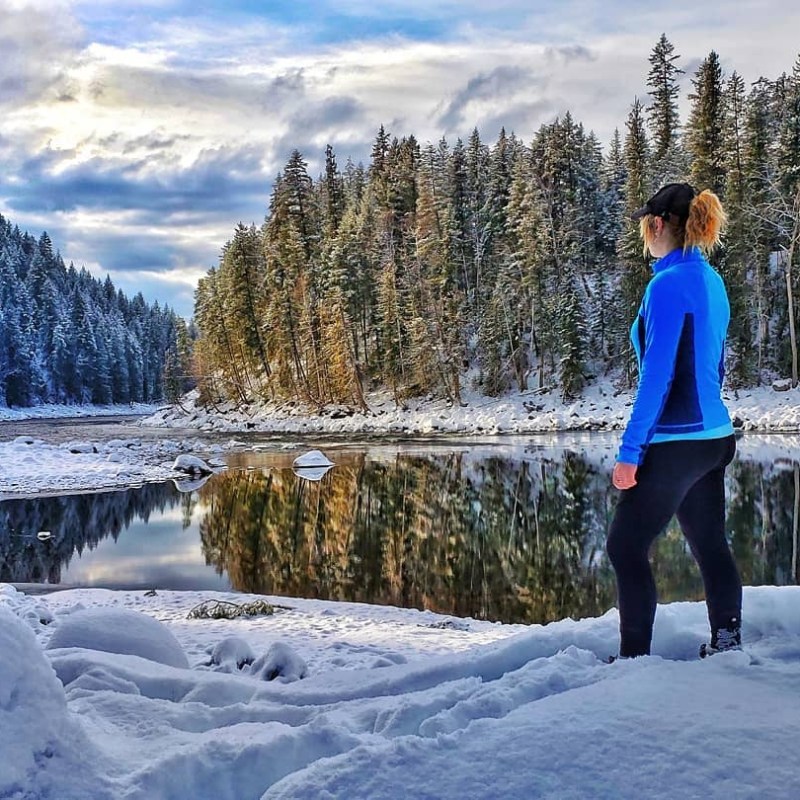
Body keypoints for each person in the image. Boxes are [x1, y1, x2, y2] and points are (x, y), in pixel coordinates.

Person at [606, 182, 741, 659]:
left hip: (677, 440)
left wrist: (630, 453)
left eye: (646, 228)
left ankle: (632, 661)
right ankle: (727, 644)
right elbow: (716, 364)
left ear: (658, 225)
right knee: (709, 544)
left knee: (624, 547)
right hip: (714, 438)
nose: (645, 236)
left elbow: (657, 378)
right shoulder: (711, 279)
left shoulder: (665, 285)